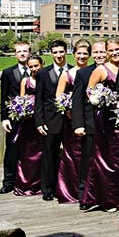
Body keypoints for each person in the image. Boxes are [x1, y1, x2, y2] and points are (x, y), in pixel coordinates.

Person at [82, 38, 119, 212]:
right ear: (107, 52)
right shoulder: (101, 70)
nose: (115, 53)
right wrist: (100, 99)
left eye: (117, 49)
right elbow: (89, 91)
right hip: (106, 120)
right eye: (111, 50)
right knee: (107, 159)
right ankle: (107, 199)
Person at [54, 39, 90, 203]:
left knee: (88, 156)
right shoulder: (67, 74)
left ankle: (87, 190)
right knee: (72, 155)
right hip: (70, 122)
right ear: (74, 54)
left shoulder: (93, 72)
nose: (82, 56)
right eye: (79, 53)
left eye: (85, 53)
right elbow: (59, 97)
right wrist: (68, 111)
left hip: (89, 120)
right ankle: (69, 190)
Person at [72, 40, 107, 207]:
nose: (100, 55)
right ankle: (84, 196)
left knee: (108, 162)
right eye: (96, 53)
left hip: (110, 125)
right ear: (92, 54)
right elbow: (77, 101)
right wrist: (78, 124)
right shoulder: (84, 73)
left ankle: (105, 195)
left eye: (102, 52)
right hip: (90, 123)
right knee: (87, 162)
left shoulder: (115, 70)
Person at [34, 38, 69, 201]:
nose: (59, 55)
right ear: (51, 54)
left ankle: (67, 188)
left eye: (61, 52)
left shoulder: (73, 71)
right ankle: (48, 188)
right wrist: (39, 121)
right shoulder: (43, 73)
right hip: (50, 120)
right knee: (49, 154)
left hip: (70, 120)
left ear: (66, 52)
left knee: (70, 155)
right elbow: (39, 99)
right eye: (55, 52)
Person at [0, 40, 31, 194]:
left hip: (32, 118)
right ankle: (8, 181)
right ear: (15, 53)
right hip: (13, 117)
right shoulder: (8, 72)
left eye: (25, 51)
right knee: (11, 150)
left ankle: (28, 180)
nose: (23, 54)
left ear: (29, 52)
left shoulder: (36, 70)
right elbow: (4, 96)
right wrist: (4, 118)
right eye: (19, 51)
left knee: (31, 150)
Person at [14, 55, 46, 195]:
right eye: (31, 66)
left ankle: (40, 184)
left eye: (36, 66)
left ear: (42, 65)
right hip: (28, 121)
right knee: (27, 153)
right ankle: (25, 183)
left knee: (41, 152)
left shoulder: (46, 78)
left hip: (42, 119)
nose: (34, 69)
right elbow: (21, 98)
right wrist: (22, 108)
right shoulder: (25, 81)